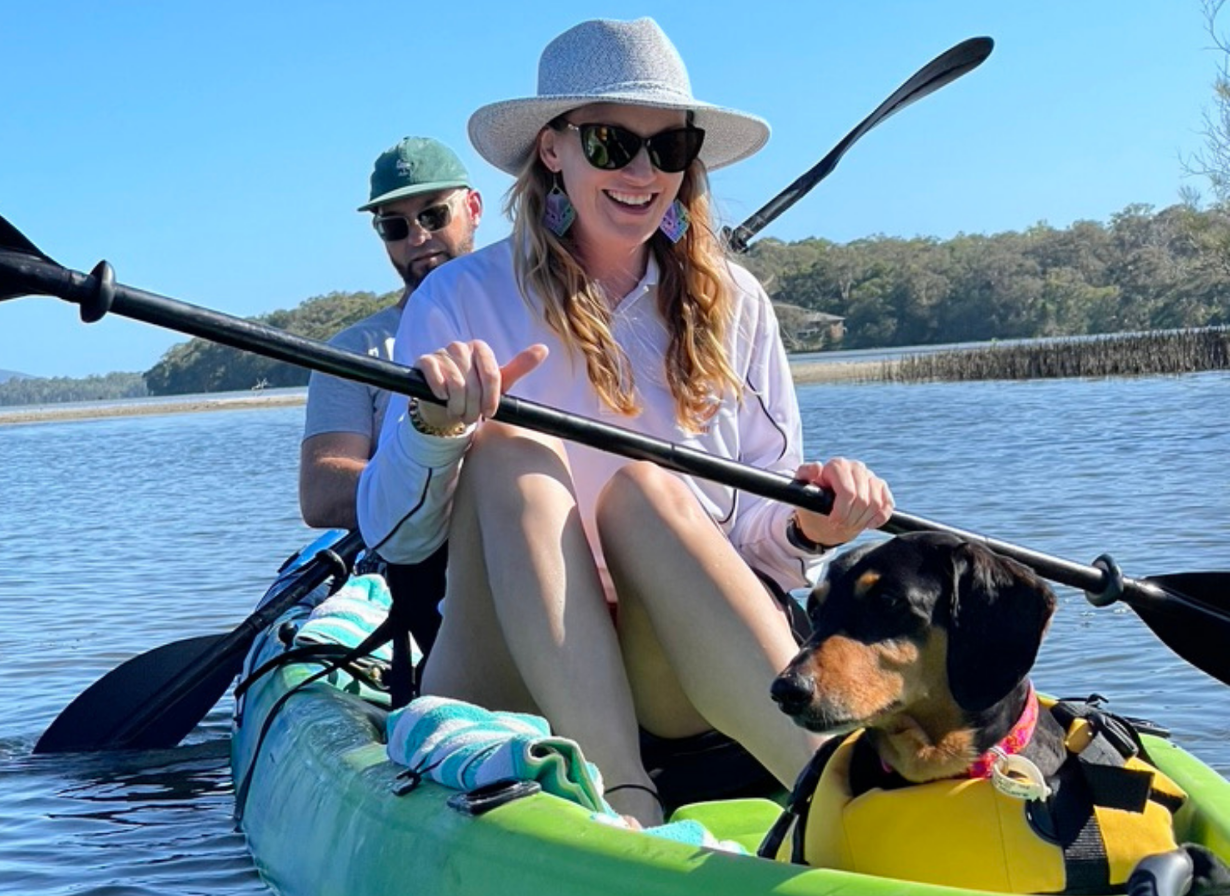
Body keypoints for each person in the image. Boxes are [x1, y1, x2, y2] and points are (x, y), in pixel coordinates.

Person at [357, 18, 894, 826]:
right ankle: (623, 803)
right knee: (510, 453)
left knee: (647, 487)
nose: (643, 172)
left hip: (666, 672)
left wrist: (814, 529)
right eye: (611, 144)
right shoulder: (456, 300)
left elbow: (758, 542)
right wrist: (434, 429)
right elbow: (393, 539)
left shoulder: (737, 304)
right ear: (553, 151)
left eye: (669, 148)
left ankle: (849, 801)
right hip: (504, 670)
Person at [298, 136, 483, 529]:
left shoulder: (533, 312)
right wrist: (441, 473)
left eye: (434, 216)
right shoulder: (351, 353)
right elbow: (321, 495)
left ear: (474, 209)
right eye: (395, 226)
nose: (417, 238)